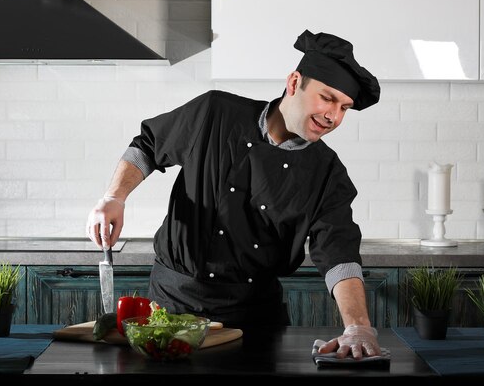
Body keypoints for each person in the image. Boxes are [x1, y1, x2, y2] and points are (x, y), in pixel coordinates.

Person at [86, 30, 382, 359]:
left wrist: (357, 326)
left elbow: (339, 254)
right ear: (295, 82)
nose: (334, 116)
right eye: (327, 98)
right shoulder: (215, 113)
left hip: (254, 321)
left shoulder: (326, 172)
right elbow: (148, 146)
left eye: (344, 108)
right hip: (169, 308)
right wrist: (115, 196)